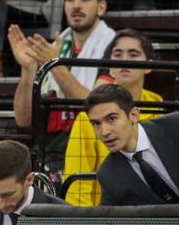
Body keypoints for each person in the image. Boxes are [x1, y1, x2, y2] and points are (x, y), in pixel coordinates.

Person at [10, 0, 117, 174]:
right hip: (48, 151)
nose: (76, 5)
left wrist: (54, 65)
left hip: (90, 149)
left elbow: (97, 105)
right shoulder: (54, 48)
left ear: (101, 7)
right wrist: (28, 69)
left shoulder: (113, 47)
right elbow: (23, 119)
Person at [63, 29, 164, 207]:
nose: (125, 60)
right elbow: (77, 182)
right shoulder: (87, 117)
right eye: (118, 54)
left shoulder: (160, 107)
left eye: (133, 54)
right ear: (110, 66)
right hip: (103, 217)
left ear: (148, 65)